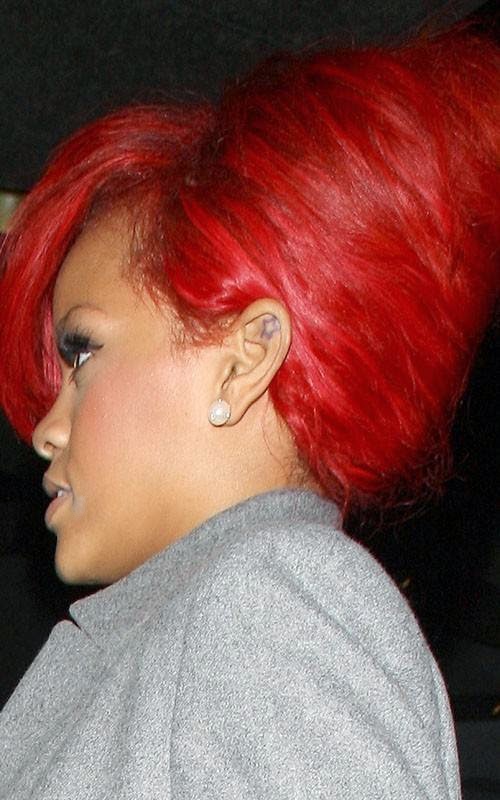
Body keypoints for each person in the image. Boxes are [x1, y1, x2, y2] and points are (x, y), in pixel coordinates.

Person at [0, 24, 498, 800]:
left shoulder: (270, 600)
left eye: (83, 353)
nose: (46, 430)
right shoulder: (222, 617)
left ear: (244, 357)